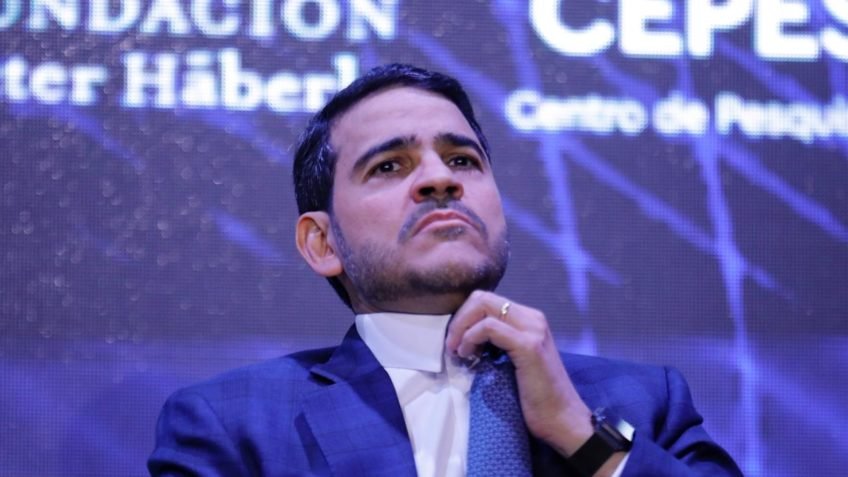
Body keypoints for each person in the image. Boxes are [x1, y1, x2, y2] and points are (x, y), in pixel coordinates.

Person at [148, 64, 742, 477]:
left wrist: (580, 432)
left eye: (462, 159)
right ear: (322, 243)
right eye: (389, 166)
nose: (440, 178)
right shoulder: (232, 424)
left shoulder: (644, 400)